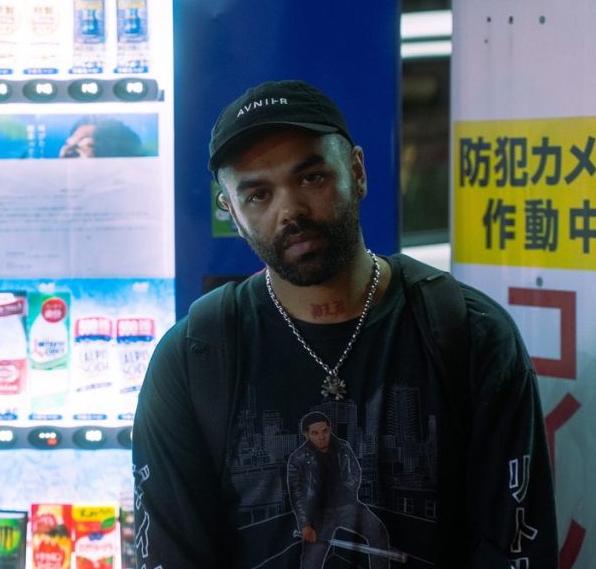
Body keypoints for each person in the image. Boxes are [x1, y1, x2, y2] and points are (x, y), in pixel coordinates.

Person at [131, 80, 558, 568]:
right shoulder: (192, 358)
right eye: (258, 195)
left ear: (356, 172)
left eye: (311, 178)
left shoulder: (470, 332)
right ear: (230, 210)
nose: (289, 210)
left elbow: (515, 546)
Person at [287, 412, 391, 569]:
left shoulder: (343, 447)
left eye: (325, 431)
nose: (322, 437)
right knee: (311, 561)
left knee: (378, 532)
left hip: (347, 506)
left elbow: (355, 472)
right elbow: (297, 494)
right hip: (320, 512)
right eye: (315, 433)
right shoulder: (298, 458)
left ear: (330, 429)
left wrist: (347, 492)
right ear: (306, 435)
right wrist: (305, 524)